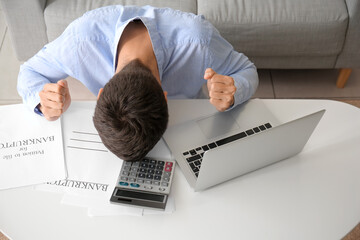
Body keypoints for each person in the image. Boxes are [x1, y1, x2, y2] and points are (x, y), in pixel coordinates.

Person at [17, 5, 259, 162]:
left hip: (187, 128)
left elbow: (246, 70)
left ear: (166, 97)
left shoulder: (198, 42)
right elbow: (28, 71)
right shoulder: (79, 42)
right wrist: (41, 99)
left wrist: (234, 89)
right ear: (101, 95)